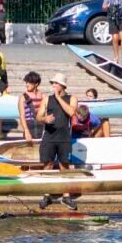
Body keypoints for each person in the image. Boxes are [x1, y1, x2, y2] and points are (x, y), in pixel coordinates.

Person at [36, 73, 79, 210]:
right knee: (47, 165)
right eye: (52, 83)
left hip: (64, 138)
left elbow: (71, 112)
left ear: (62, 85)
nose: (53, 86)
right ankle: (46, 194)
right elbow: (38, 116)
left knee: (64, 166)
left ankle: (66, 196)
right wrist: (45, 119)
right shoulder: (47, 99)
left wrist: (59, 98)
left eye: (55, 83)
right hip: (49, 137)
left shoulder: (71, 98)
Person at [17, 71, 45, 140]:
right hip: (29, 126)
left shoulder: (43, 96)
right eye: (26, 82)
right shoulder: (23, 97)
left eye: (29, 82)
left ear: (36, 84)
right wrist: (26, 131)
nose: (27, 84)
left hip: (40, 127)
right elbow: (22, 116)